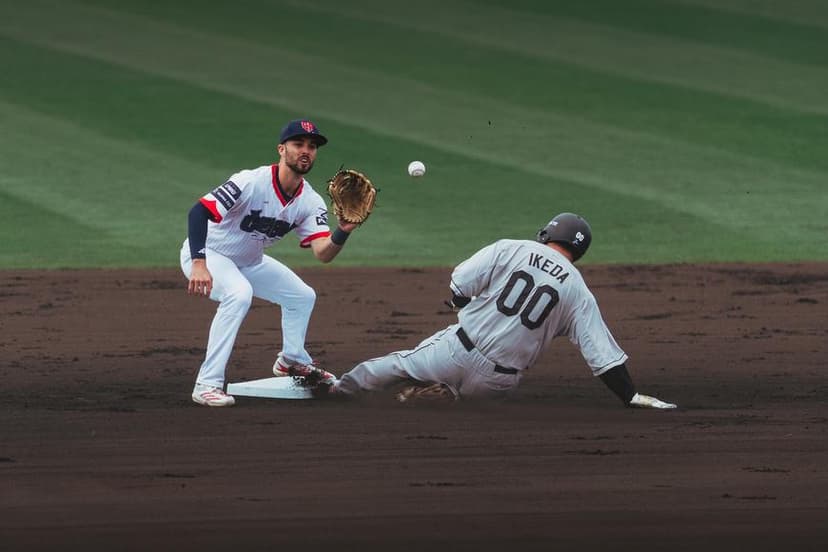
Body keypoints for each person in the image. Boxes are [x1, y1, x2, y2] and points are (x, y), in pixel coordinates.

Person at [322, 213, 676, 409]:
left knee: (398, 365)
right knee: (465, 411)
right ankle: (444, 398)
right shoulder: (578, 291)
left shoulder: (513, 248)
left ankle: (340, 390)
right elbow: (603, 358)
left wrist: (460, 303)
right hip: (499, 381)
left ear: (547, 234)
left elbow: (460, 282)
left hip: (456, 351)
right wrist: (630, 395)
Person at [181, 119, 356, 407]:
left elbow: (323, 253)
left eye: (311, 147)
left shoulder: (310, 201)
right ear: (281, 149)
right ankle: (207, 384)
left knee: (302, 296)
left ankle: (292, 361)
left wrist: (343, 230)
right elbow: (197, 213)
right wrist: (199, 263)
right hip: (208, 253)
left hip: (249, 262)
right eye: (298, 144)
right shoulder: (250, 181)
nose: (306, 151)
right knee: (238, 295)